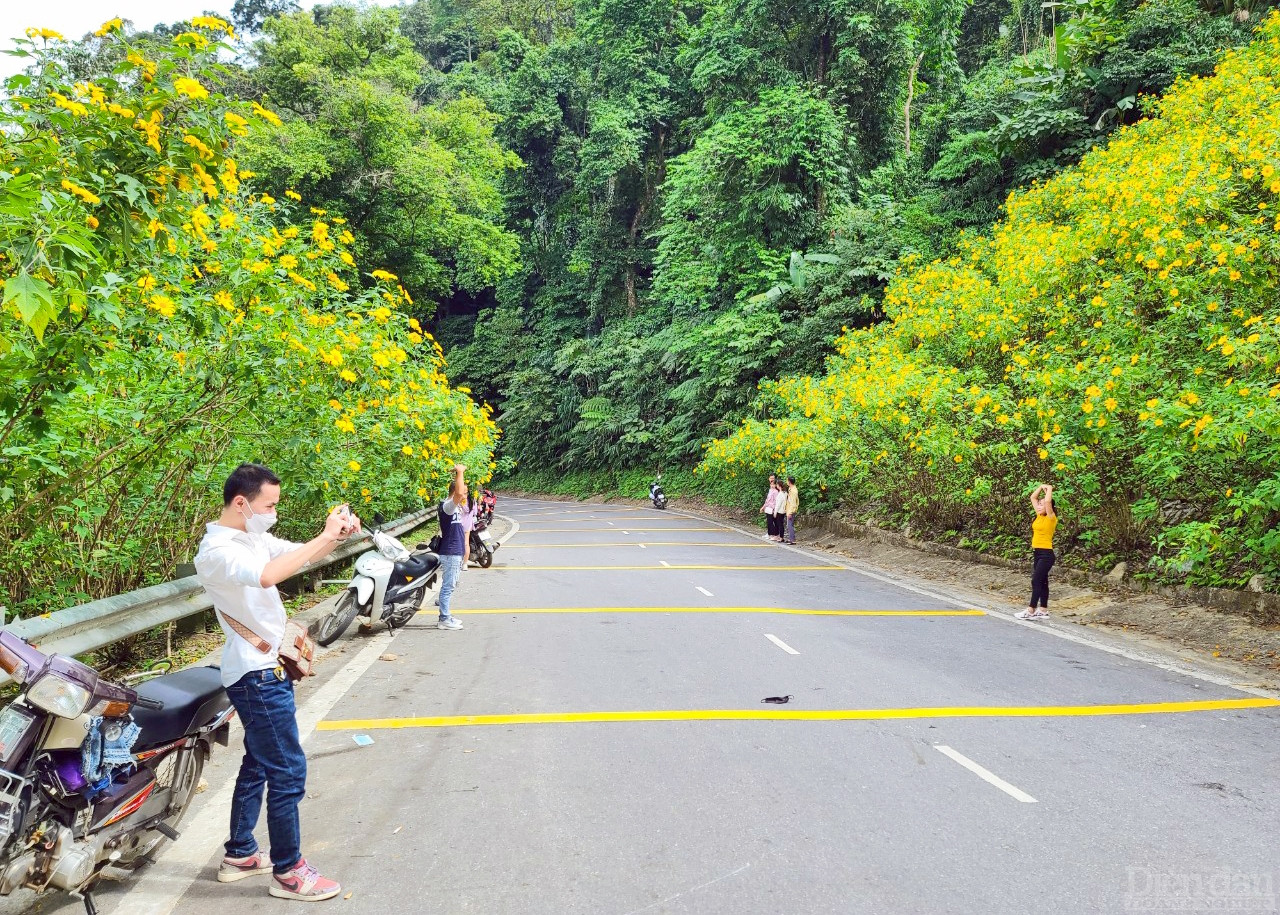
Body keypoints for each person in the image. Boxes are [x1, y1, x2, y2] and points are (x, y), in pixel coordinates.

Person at [194, 462, 358, 902]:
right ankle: (289, 873)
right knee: (287, 769)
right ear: (242, 502)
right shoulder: (217, 551)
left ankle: (241, 854)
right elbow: (267, 575)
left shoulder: (253, 537)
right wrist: (325, 536)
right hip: (256, 674)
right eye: (270, 506)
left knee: (260, 761)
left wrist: (338, 534)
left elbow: (296, 554)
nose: (274, 514)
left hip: (263, 669)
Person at [434, 463, 468, 630]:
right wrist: (460, 471)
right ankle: (444, 619)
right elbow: (459, 492)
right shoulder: (448, 506)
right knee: (448, 586)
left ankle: (446, 614)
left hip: (455, 551)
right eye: (463, 491)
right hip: (451, 551)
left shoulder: (453, 507)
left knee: (450, 585)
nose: (465, 494)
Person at [1016, 483, 1057, 621]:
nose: (1039, 506)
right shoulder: (1039, 515)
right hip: (1037, 553)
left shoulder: (1051, 518)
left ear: (1049, 506)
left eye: (1042, 504)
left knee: (1036, 580)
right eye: (1038, 505)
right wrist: (1040, 487)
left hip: (1046, 555)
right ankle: (1043, 610)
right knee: (1043, 581)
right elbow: (1033, 497)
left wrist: (1049, 489)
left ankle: (1031, 610)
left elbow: (1047, 501)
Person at [760, 474, 780, 541]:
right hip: (768, 508)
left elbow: (776, 501)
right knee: (769, 521)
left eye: (773, 478)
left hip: (772, 508)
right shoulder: (770, 490)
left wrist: (774, 509)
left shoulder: (776, 491)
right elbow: (767, 500)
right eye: (770, 478)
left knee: (773, 522)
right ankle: (769, 534)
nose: (772, 485)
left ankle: (774, 534)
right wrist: (763, 507)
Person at [783, 476, 799, 545]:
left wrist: (790, 512)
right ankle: (791, 538)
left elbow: (793, 503)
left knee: (790, 525)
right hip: (789, 509)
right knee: (789, 525)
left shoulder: (793, 491)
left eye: (787, 480)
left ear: (789, 482)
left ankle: (792, 540)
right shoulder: (791, 489)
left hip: (791, 510)